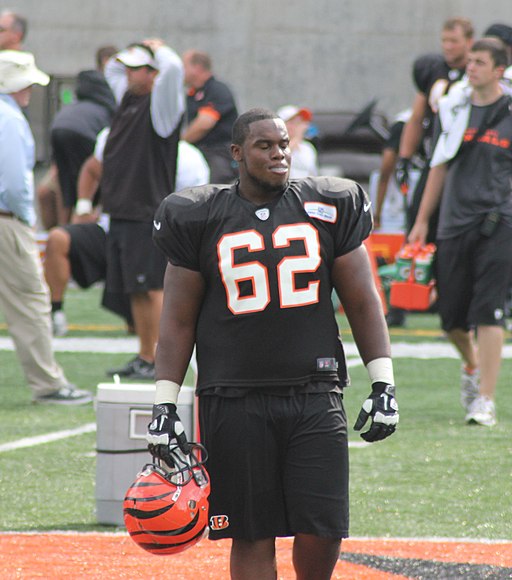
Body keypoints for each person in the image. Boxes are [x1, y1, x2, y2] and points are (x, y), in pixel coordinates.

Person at [146, 108, 399, 579]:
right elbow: (177, 322)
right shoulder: (198, 215)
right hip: (232, 396)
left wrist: (382, 383)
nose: (279, 154)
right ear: (237, 154)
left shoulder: (329, 204)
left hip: (314, 391)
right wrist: (165, 406)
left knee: (323, 527)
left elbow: (363, 302)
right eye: (265, 146)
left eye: (283, 144)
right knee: (250, 532)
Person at [409, 38, 512, 428]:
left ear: (499, 69)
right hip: (454, 222)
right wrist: (421, 221)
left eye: (480, 62)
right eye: (469, 61)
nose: (470, 68)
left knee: (489, 310)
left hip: (499, 222)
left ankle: (485, 398)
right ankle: (470, 364)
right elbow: (438, 164)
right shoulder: (454, 106)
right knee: (450, 317)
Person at [44, 132, 210, 337]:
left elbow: (194, 213)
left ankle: (149, 356)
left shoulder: (188, 159)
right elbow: (92, 167)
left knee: (145, 306)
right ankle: (56, 313)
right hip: (112, 230)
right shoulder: (114, 136)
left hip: (156, 239)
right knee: (58, 239)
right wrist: (84, 208)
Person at [0, 50, 92, 405]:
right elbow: (13, 183)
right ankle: (48, 383)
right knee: (31, 300)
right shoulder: (8, 118)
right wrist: (25, 217)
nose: (30, 90)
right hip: (6, 220)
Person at [101, 39, 185, 380]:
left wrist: (160, 47)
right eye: (131, 68)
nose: (131, 74)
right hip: (122, 210)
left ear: (154, 73)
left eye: (141, 68)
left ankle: (162, 360)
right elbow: (111, 67)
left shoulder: (161, 108)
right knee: (136, 288)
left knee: (152, 287)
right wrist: (137, 52)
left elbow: (175, 69)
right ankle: (144, 354)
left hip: (145, 209)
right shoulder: (127, 98)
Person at [395, 17, 474, 236]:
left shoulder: (475, 71)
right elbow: (416, 118)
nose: (448, 46)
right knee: (419, 214)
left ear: (469, 41)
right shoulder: (433, 69)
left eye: (454, 41)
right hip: (435, 158)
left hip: (466, 161)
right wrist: (404, 157)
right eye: (444, 40)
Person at [48, 57, 117, 225]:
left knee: (65, 187)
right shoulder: (107, 109)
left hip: (57, 127)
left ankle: (63, 227)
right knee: (91, 184)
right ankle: (85, 226)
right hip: (85, 135)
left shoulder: (74, 106)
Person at [182, 49, 239, 183]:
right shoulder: (192, 94)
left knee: (213, 192)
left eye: (184, 66)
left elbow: (204, 124)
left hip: (219, 154)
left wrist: (182, 143)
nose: (181, 71)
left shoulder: (217, 90)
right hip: (199, 152)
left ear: (197, 68)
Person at [277, 105, 318, 178]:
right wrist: (296, 139)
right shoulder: (275, 147)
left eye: (300, 122)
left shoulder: (308, 148)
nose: (298, 126)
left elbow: (313, 177)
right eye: (292, 122)